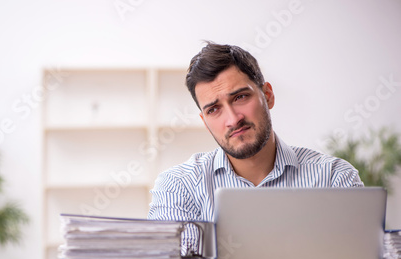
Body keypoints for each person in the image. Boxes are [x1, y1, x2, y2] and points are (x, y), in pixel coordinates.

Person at [148, 42, 363, 222]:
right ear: (205, 122)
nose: (233, 119)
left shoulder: (334, 178)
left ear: (267, 95)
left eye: (240, 97)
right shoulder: (178, 187)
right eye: (214, 109)